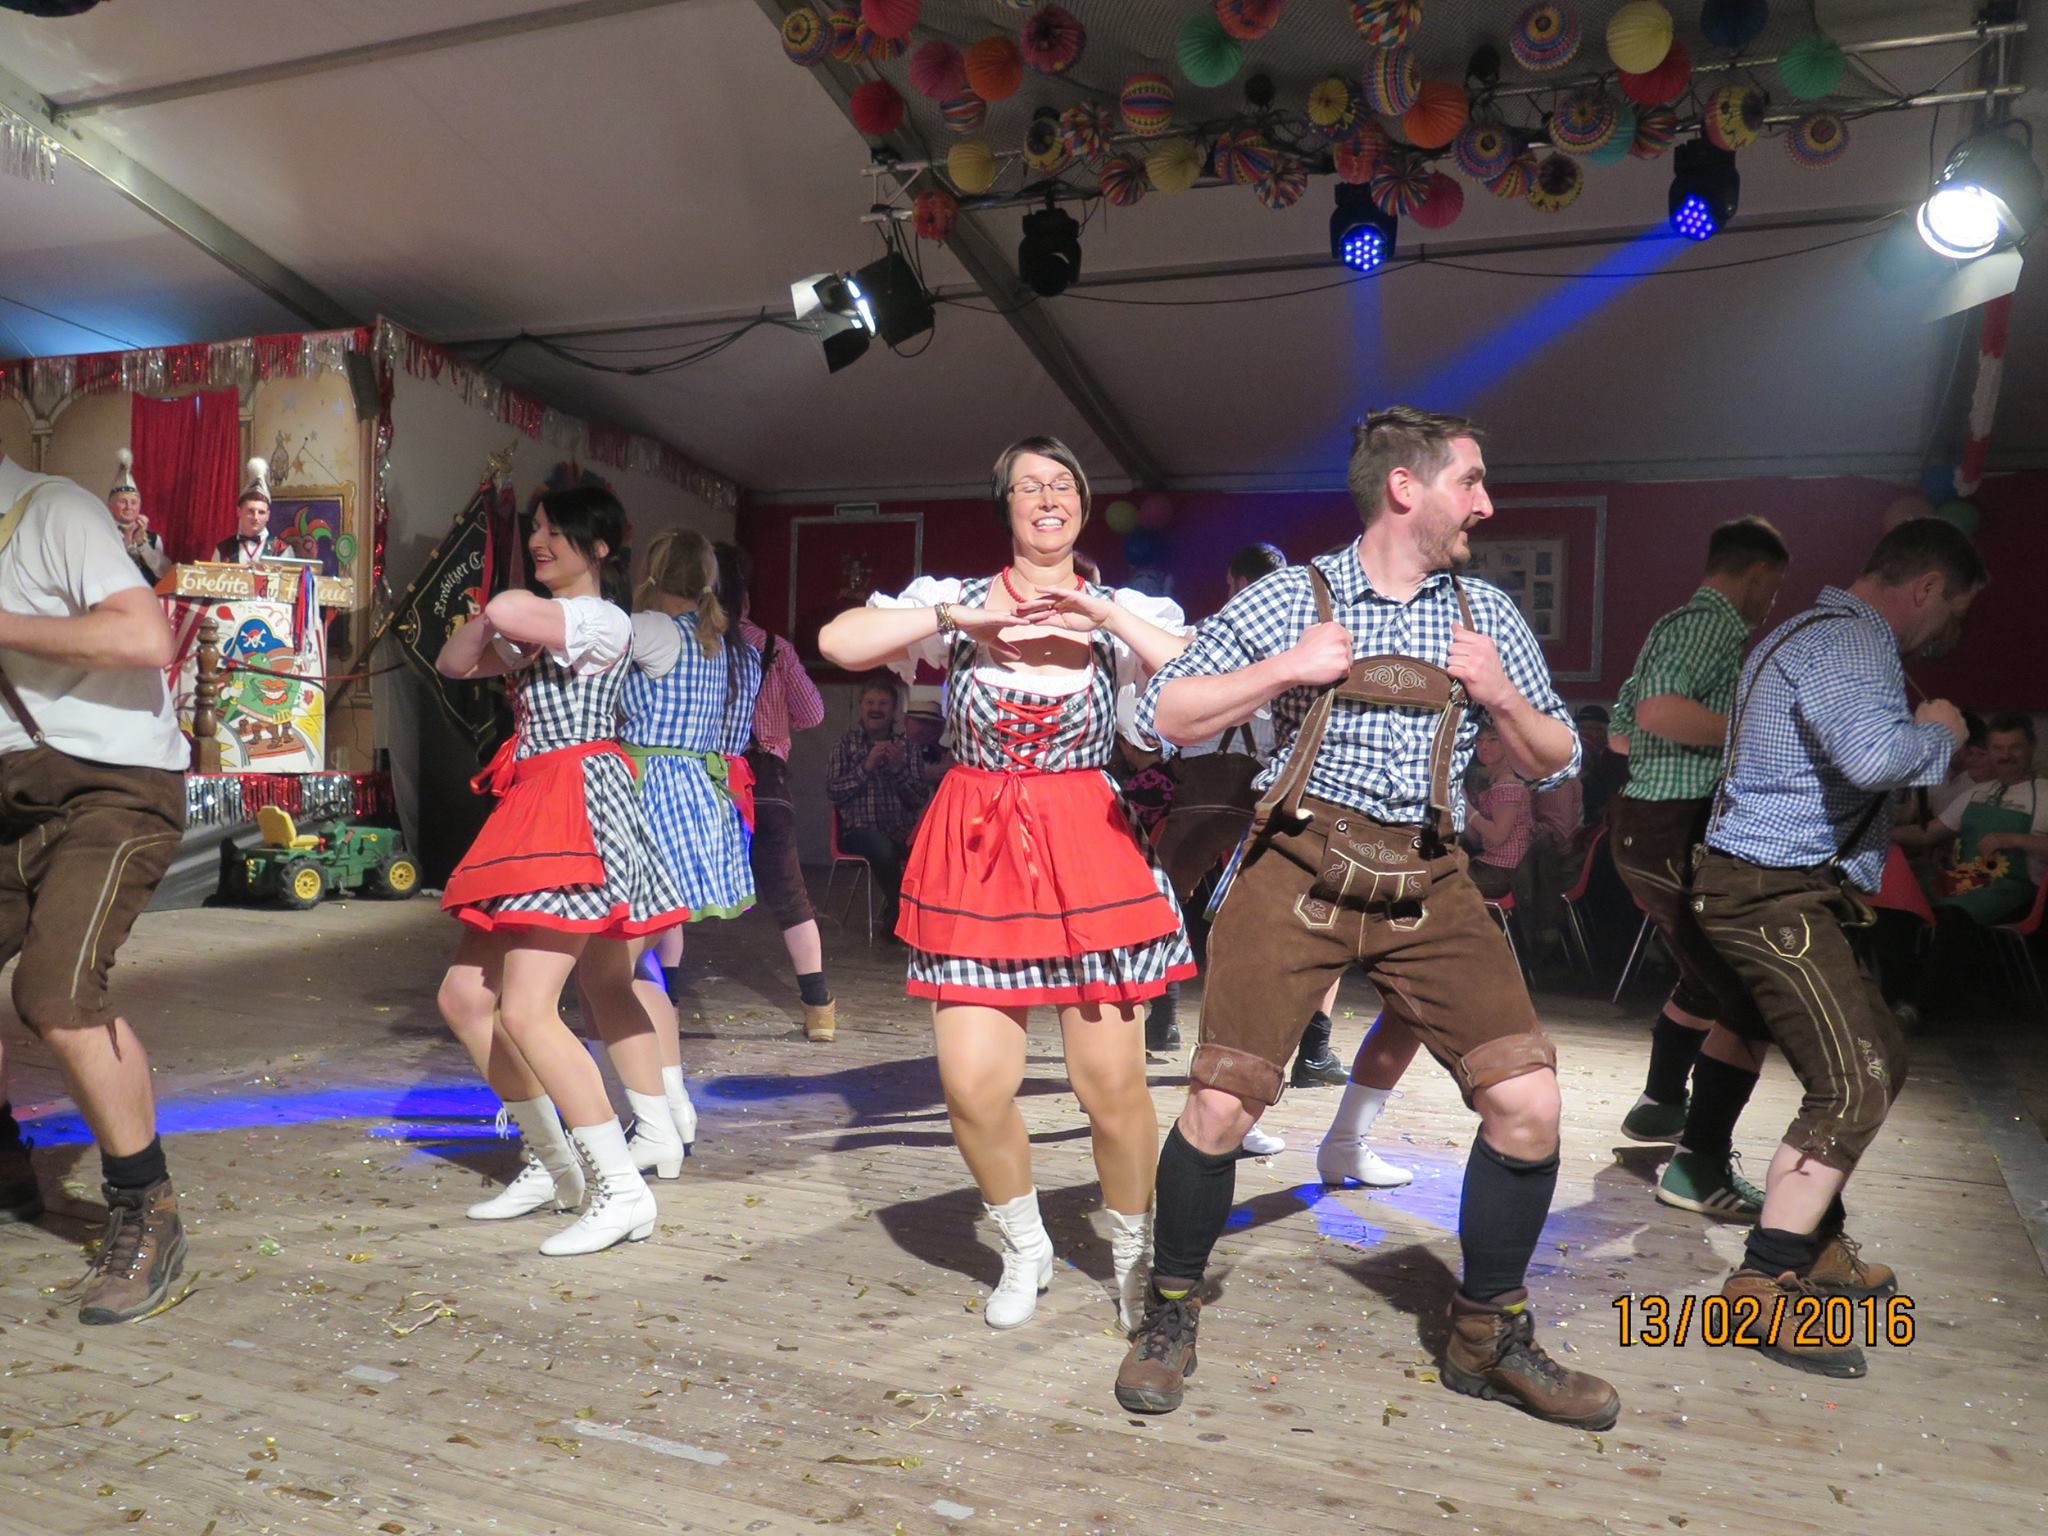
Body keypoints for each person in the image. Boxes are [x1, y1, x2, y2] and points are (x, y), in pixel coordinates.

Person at [1114, 406, 1618, 1430]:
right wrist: (1285, 669)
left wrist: (1501, 697)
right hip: (1295, 866)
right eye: (1469, 481)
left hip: (1428, 874)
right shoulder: (1288, 598)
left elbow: (1557, 757)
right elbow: (1157, 716)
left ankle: (1486, 1335)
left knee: (1527, 1102)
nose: (1485, 502)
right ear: (1404, 487)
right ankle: (1167, 1312)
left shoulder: (1483, 614)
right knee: (1218, 1107)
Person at [819, 434, 1194, 1334]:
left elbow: (1195, 668)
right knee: (973, 1086)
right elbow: (839, 641)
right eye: (1029, 486)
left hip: (1088, 847)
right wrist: (959, 619)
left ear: (1083, 505)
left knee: (1112, 1089)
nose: (1048, 497)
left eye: (1062, 484)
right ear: (1008, 508)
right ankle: (1026, 1247)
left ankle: (1134, 1258)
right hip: (976, 851)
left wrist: (1104, 615)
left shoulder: (1122, 611)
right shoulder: (952, 603)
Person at [1694, 517, 1980, 1378]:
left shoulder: (1817, 631)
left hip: (1781, 887)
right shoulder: (1854, 641)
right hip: (1769, 891)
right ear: (1925, 587)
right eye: (1955, 608)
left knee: (1878, 1055)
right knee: (1853, 1081)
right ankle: (1760, 1285)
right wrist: (1943, 731)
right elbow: (1873, 758)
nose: (1952, 627)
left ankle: (1815, 1241)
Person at [434, 486, 690, 1256]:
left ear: (600, 548)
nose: (540, 540)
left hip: (575, 805)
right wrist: (494, 625)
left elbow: (505, 611)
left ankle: (622, 1188)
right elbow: (453, 661)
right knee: (465, 998)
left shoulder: (601, 621)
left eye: (555, 531)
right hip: (534, 806)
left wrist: (500, 619)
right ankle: (555, 1167)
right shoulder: (542, 624)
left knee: (528, 1008)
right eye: (537, 530)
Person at [0, 452, 189, 1324]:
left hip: (113, 786)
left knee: (56, 992)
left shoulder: (54, 512)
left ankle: (147, 1207)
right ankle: (7, 1163)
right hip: (14, 793)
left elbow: (145, 637)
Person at [1604, 516, 1789, 1222]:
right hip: (1673, 826)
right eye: (1775, 588)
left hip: (1646, 827)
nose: (1772, 603)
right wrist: (1752, 732)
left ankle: (1659, 1105)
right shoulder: (1713, 625)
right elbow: (1655, 713)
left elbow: (1622, 732)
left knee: (1705, 974)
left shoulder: (1669, 627)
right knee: (1749, 997)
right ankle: (1697, 1165)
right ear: (1759, 575)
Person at [612, 528, 760, 1182]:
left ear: (654, 571)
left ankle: (654, 1116)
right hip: (695, 797)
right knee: (642, 965)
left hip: (643, 794)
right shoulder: (726, 648)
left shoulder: (649, 629)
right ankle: (672, 1109)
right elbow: (731, 736)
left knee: (619, 967)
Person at [726, 544, 837, 1041]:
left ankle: (667, 998)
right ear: (746, 599)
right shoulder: (775, 648)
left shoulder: (695, 646)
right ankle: (818, 1008)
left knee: (678, 896)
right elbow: (812, 714)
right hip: (767, 781)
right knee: (791, 896)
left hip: (711, 777)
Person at [1899, 712, 2045, 928]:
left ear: (2031, 747)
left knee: (1948, 917)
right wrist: (1881, 834)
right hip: (1965, 880)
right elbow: (1929, 832)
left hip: (2017, 891)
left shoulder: (2045, 793)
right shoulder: (1977, 792)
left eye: (2015, 747)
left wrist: (2014, 839)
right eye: (1998, 748)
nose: (2006, 755)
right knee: (1904, 903)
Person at [824, 677, 929, 933]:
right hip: (858, 833)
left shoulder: (908, 749)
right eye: (870, 702)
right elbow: (833, 792)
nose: (876, 708)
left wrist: (897, 769)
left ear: (894, 709)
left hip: (900, 833)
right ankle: (901, 911)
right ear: (861, 706)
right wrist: (866, 767)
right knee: (878, 845)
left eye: (883, 703)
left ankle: (919, 919)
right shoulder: (845, 745)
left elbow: (918, 798)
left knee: (933, 850)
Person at [211, 458, 291, 565]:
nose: (255, 517)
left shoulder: (282, 550)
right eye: (250, 511)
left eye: (261, 512)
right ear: (239, 512)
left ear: (268, 515)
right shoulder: (222, 549)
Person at [106, 449, 169, 584]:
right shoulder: (102, 533)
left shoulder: (153, 538)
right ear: (110, 506)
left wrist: (142, 544)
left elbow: (163, 572)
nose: (129, 507)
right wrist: (127, 540)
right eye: (123, 501)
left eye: (133, 502)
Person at [1575, 704, 1629, 824]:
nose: (1587, 733)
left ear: (1607, 733)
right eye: (1582, 728)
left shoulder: (1617, 759)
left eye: (1596, 729)